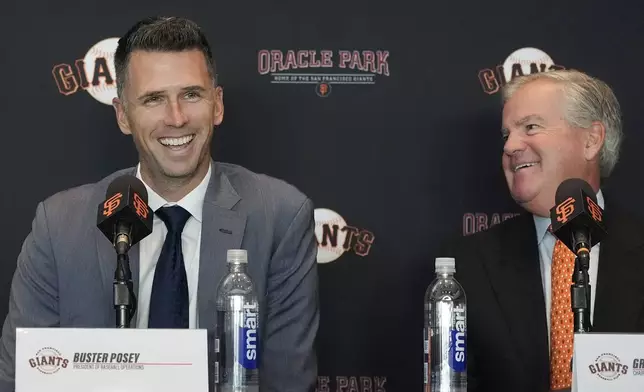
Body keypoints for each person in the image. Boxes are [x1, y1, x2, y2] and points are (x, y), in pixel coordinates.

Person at [0, 16, 319, 392]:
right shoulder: (58, 226)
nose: (177, 118)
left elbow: (288, 383)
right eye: (154, 99)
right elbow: (21, 379)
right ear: (122, 115)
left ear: (217, 105)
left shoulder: (281, 217)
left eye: (191, 94)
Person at [438, 69, 644, 391]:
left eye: (530, 127)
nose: (510, 147)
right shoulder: (467, 265)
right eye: (507, 135)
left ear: (591, 140)